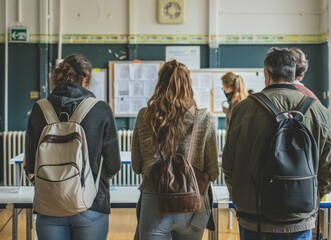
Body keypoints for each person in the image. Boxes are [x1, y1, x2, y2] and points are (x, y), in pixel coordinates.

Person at [222, 47, 331, 240]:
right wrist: (308, 196)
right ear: (294, 74)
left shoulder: (243, 109)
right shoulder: (319, 111)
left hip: (254, 218)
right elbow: (329, 171)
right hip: (299, 219)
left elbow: (228, 164)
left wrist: (242, 198)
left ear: (266, 74)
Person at [24, 54, 121, 240]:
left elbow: (30, 166)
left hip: (49, 205)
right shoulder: (100, 109)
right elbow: (113, 164)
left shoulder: (39, 109)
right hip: (91, 205)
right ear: (85, 79)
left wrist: (57, 184)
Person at [131, 59, 219, 240]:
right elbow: (213, 172)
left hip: (154, 201)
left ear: (160, 83)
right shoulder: (204, 118)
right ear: (189, 84)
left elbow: (137, 165)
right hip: (193, 204)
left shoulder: (144, 116)